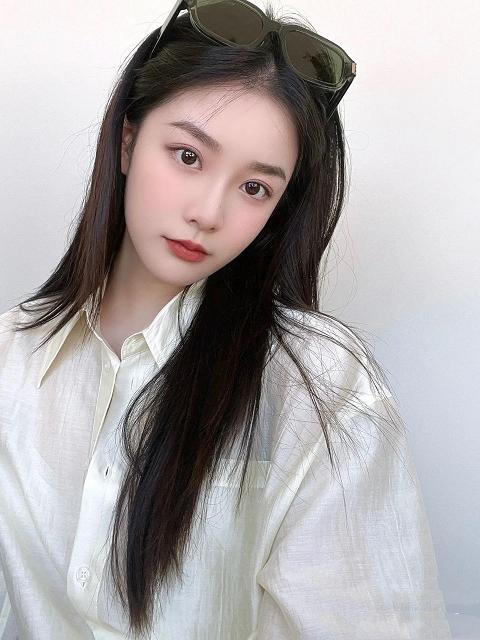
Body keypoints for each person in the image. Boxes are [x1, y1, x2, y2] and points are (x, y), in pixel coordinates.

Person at [0, 1, 452, 638]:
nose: (208, 213)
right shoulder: (12, 360)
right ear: (128, 141)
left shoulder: (316, 386)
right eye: (188, 156)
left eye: (255, 188)